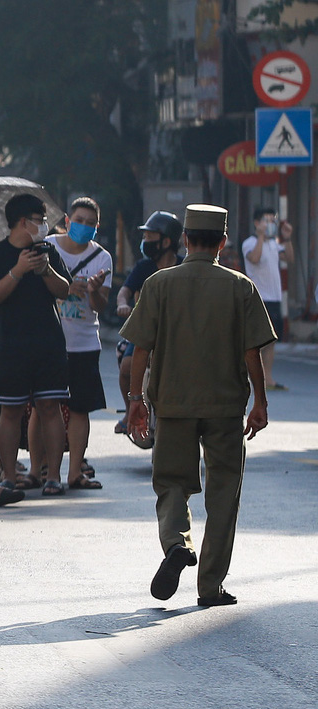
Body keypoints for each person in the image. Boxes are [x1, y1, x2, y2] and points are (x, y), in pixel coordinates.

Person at [122, 205, 276, 606]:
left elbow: (141, 348)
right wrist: (259, 401)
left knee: (172, 482)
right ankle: (210, 586)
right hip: (225, 407)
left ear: (186, 240)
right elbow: (251, 351)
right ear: (222, 243)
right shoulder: (240, 286)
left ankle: (176, 542)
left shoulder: (159, 284)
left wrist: (135, 400)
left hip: (171, 403)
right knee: (224, 491)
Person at [0, 193, 73, 495]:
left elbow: (64, 291)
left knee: (49, 407)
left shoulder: (47, 251)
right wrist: (17, 271)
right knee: (10, 410)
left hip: (49, 344)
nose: (43, 226)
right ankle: (8, 476)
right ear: (23, 221)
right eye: (40, 220)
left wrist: (46, 270)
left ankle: (53, 475)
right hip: (10, 345)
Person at [46, 197, 113, 489]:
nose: (83, 226)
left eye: (90, 223)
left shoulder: (102, 258)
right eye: (79, 220)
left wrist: (95, 292)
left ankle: (74, 471)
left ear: (97, 227)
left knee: (79, 409)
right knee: (44, 408)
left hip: (85, 343)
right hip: (48, 342)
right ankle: (46, 473)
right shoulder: (48, 246)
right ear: (67, 221)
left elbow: (100, 306)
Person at [116, 210, 183, 423]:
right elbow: (125, 291)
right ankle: (130, 412)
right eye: (144, 237)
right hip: (145, 330)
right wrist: (123, 304)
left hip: (178, 332)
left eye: (150, 236)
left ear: (166, 241)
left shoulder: (184, 267)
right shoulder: (143, 267)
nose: (145, 241)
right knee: (127, 367)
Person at [243, 205, 290, 390]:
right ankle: (252, 379)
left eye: (273, 220)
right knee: (256, 341)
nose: (270, 224)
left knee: (271, 341)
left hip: (275, 297)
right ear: (257, 223)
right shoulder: (250, 242)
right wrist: (261, 236)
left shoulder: (274, 243)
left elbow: (289, 257)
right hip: (258, 297)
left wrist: (286, 237)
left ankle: (268, 379)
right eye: (266, 220)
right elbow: (254, 258)